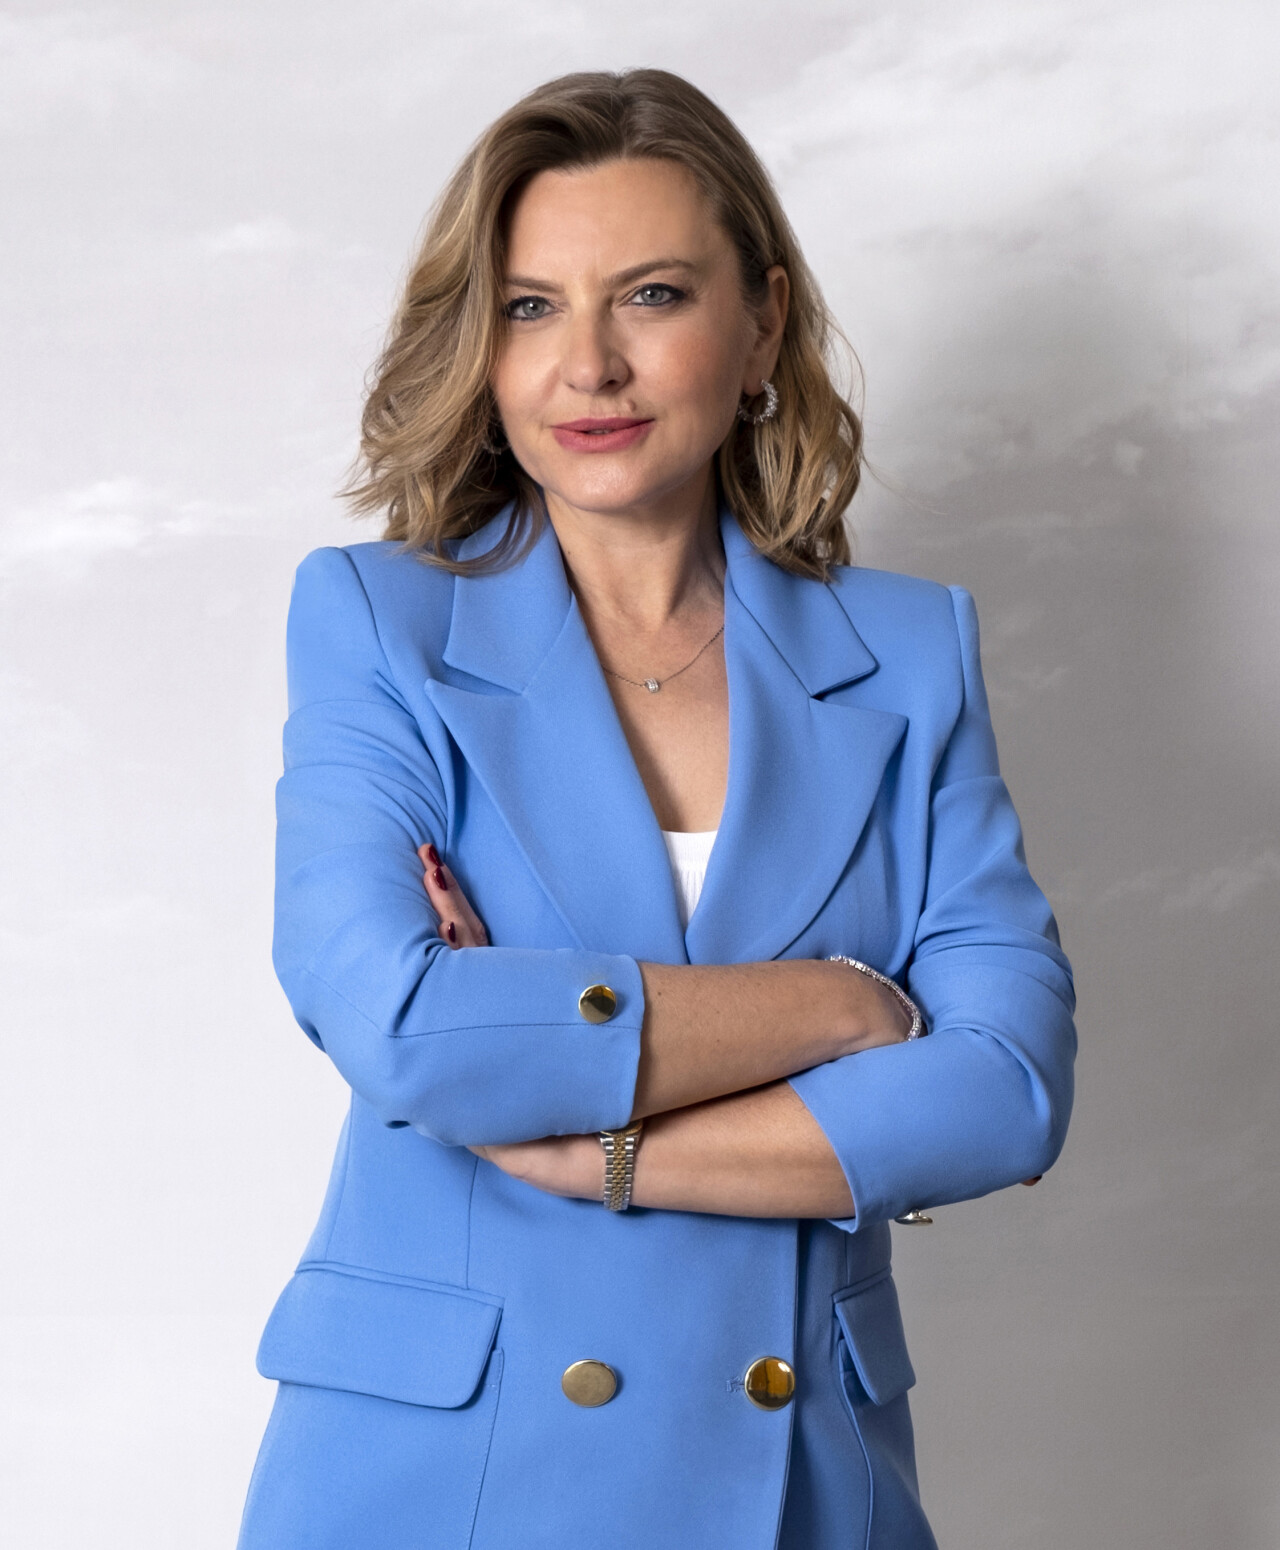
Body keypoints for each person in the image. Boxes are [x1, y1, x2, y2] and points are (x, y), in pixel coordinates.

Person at [235, 68, 1076, 1550]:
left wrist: (594, 1148)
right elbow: (404, 1023)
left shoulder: (910, 651)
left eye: (654, 295)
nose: (591, 366)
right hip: (445, 1484)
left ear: (760, 327)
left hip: (800, 1484)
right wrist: (841, 1005)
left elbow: (1005, 1089)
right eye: (532, 307)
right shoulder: (377, 621)